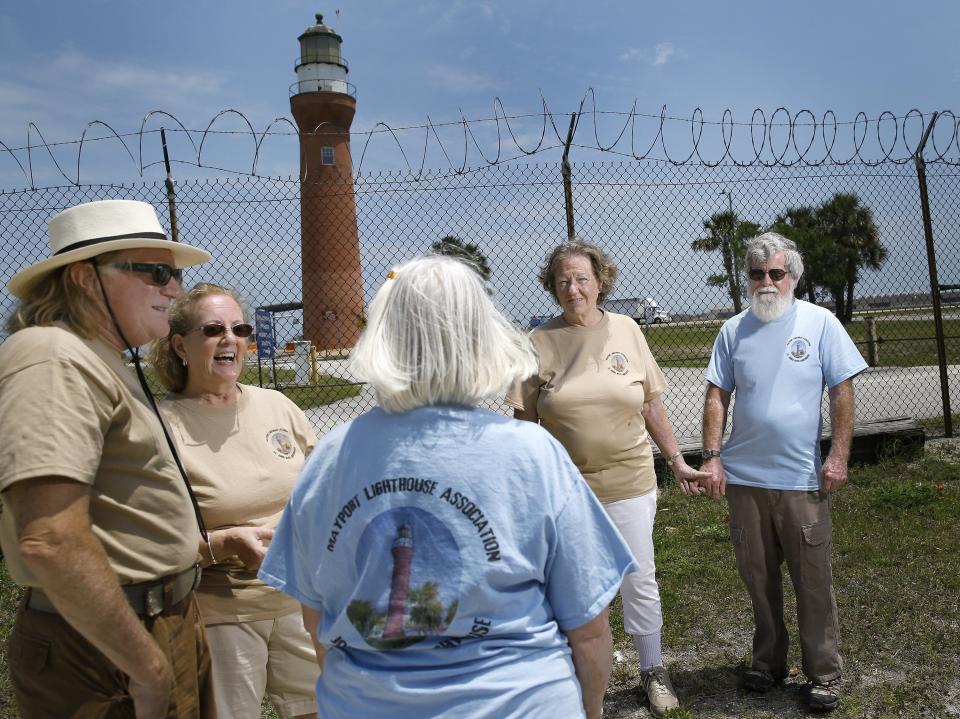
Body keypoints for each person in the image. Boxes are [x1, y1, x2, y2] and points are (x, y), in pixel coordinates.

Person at [258, 255, 637, 719]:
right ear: (482, 337)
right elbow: (589, 627)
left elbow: (316, 619)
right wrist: (592, 710)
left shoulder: (330, 458)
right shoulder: (531, 454)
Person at [0, 199, 216, 718]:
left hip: (145, 626)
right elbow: (50, 537)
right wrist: (147, 666)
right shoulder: (52, 356)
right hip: (105, 649)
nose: (175, 290)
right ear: (84, 278)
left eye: (176, 275)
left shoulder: (99, 357)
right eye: (158, 272)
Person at [506, 239, 709, 718]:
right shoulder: (537, 343)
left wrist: (677, 459)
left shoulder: (628, 330)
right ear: (552, 288)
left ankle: (652, 670)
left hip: (630, 482)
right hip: (568, 493)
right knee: (574, 588)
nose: (573, 289)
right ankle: (580, 679)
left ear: (601, 282)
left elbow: (651, 402)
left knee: (639, 578)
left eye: (581, 279)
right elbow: (523, 422)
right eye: (563, 282)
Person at [700, 232, 867, 712]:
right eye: (757, 274)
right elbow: (716, 394)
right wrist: (712, 455)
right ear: (747, 279)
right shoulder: (733, 330)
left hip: (801, 480)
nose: (767, 282)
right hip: (745, 481)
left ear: (793, 276)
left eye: (776, 273)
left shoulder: (821, 323)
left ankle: (824, 674)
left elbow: (841, 391)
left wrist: (837, 456)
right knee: (758, 577)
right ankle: (768, 662)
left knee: (813, 579)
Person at [149, 283, 320, 719]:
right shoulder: (158, 427)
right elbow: (151, 545)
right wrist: (223, 543)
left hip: (304, 601)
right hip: (221, 613)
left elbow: (325, 492)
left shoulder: (278, 406)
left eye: (238, 327)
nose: (230, 338)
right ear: (180, 346)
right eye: (212, 329)